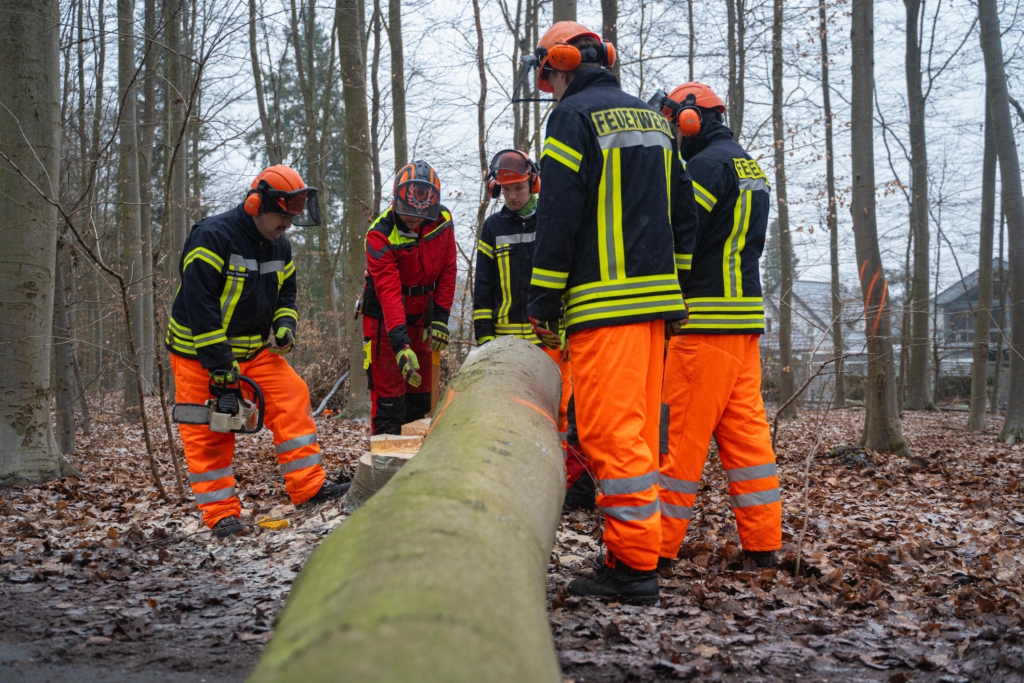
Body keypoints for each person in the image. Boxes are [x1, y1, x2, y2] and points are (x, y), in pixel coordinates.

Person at [524, 21, 699, 604]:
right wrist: (674, 287)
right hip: (656, 310)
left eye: (547, 75)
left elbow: (559, 213)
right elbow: (685, 214)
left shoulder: (572, 118)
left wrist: (543, 296)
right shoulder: (655, 120)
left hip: (606, 305)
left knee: (610, 434)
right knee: (642, 432)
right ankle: (635, 552)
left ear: (559, 65)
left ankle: (634, 568)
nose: (548, 87)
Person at [166, 165, 344, 538]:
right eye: (283, 216)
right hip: (199, 354)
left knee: (292, 394)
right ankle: (220, 514)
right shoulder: (212, 237)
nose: (287, 225)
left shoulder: (280, 245)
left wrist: (285, 325)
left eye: (292, 218)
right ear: (256, 205)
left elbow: (288, 291)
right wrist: (219, 363)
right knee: (209, 430)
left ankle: (309, 485)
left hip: (254, 351)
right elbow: (200, 305)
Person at [650, 82, 781, 568]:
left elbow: (684, 230)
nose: (674, 134)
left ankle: (653, 551)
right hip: (743, 323)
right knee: (748, 440)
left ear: (693, 120)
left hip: (704, 322)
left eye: (675, 123)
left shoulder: (704, 168)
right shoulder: (750, 166)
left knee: (677, 440)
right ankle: (764, 546)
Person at [473, 150, 595, 510]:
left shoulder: (552, 220)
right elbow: (484, 285)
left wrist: (569, 327)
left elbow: (570, 277)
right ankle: (514, 478)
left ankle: (569, 484)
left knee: (562, 412)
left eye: (519, 188)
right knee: (510, 410)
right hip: (507, 340)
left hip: (551, 337)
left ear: (533, 184)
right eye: (506, 190)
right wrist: (485, 334)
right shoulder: (493, 228)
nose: (512, 196)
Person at [361, 161, 457, 435]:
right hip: (385, 321)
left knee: (420, 398)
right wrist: (400, 344)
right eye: (408, 211)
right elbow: (389, 292)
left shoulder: (442, 221)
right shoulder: (380, 234)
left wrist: (441, 318)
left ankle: (416, 457)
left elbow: (448, 269)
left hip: (423, 317)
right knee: (390, 402)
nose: (415, 218)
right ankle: (384, 456)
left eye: (422, 213)